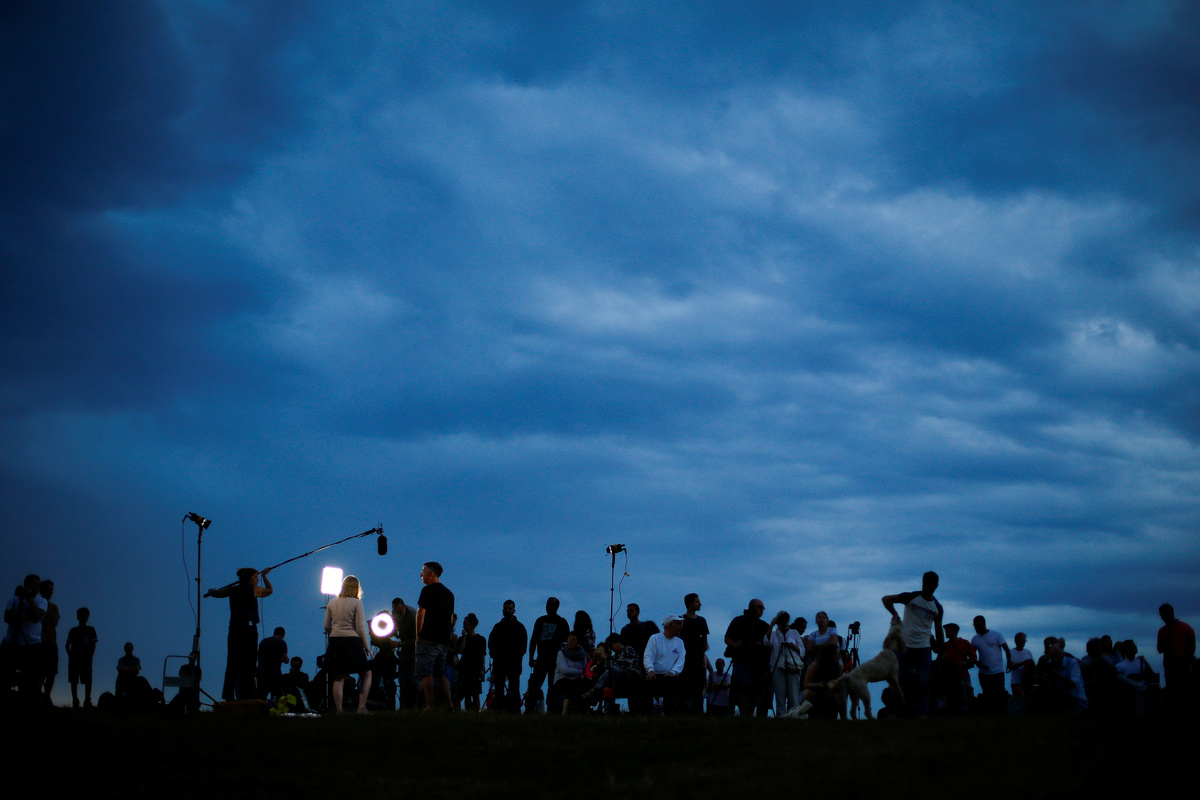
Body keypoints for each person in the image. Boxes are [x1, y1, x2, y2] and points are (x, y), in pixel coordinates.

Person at [205, 566, 273, 701]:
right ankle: (247, 692)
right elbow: (269, 591)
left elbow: (217, 593)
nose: (257, 580)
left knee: (233, 662)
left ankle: (228, 694)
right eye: (255, 577)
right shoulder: (254, 589)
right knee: (249, 662)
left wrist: (211, 591)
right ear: (249, 579)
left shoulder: (232, 590)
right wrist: (265, 576)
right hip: (249, 629)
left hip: (235, 629)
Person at [882, 571, 945, 716]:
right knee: (899, 680)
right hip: (904, 646)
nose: (927, 588)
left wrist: (941, 651)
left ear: (936, 586)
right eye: (926, 585)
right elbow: (886, 599)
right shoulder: (911, 597)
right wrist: (895, 614)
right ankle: (896, 712)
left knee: (924, 681)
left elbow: (938, 628)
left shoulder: (937, 607)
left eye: (931, 586)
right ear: (922, 584)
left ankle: (922, 712)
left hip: (924, 647)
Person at [324, 574, 373, 714]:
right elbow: (360, 627)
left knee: (339, 676)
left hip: (335, 640)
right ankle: (361, 707)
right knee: (366, 673)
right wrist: (366, 645)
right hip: (352, 641)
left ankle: (339, 710)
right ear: (356, 588)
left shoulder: (331, 602)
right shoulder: (357, 603)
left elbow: (326, 625)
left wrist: (334, 633)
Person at [415, 561, 455, 711]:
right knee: (440, 674)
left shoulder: (427, 590)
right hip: (443, 640)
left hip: (429, 637)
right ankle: (449, 705)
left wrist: (418, 634)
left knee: (426, 673)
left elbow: (421, 612)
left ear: (431, 574)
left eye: (423, 571)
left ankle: (430, 706)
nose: (421, 574)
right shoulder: (449, 594)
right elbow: (450, 618)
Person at [4, 574, 47, 700]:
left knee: (31, 679)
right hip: (12, 643)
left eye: (39, 584)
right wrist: (28, 616)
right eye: (34, 584)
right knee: (6, 675)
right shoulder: (14, 600)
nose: (37, 587)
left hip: (32, 645)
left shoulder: (41, 601)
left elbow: (37, 615)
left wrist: (29, 599)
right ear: (27, 585)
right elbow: (7, 617)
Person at [724, 599, 769, 716]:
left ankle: (748, 715)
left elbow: (769, 643)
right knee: (742, 687)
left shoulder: (764, 625)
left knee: (755, 688)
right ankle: (744, 714)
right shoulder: (738, 621)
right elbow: (727, 638)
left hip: (758, 662)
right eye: (759, 607)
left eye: (763, 608)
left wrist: (761, 646)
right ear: (752, 607)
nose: (762, 610)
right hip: (741, 659)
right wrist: (735, 645)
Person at [528, 597, 569, 708]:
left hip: (555, 660)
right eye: (547, 605)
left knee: (553, 686)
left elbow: (566, 643)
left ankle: (552, 708)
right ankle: (530, 708)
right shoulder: (540, 621)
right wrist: (531, 657)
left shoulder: (562, 622)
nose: (548, 607)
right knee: (535, 685)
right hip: (541, 658)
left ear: (557, 607)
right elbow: (533, 640)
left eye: (551, 605)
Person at [488, 599, 527, 712]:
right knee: (499, 688)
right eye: (505, 608)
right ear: (502, 610)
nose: (507, 610)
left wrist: (516, 657)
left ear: (514, 610)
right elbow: (491, 643)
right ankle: (498, 709)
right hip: (499, 662)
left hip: (514, 663)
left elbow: (523, 647)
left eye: (509, 608)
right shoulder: (497, 627)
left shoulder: (519, 627)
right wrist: (494, 655)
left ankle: (514, 710)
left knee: (514, 687)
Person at [643, 615, 687, 713]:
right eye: (678, 624)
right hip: (655, 675)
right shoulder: (655, 638)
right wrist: (650, 670)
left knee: (672, 686)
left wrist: (673, 672)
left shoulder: (679, 642)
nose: (680, 627)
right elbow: (648, 656)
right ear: (670, 625)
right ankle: (648, 713)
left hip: (671, 676)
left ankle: (669, 713)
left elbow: (681, 660)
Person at [1156, 603, 1195, 709]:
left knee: (1181, 692)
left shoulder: (1184, 628)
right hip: (1171, 666)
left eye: (1162, 615)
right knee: (1175, 693)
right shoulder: (1164, 631)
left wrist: (1186, 660)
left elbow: (1192, 646)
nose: (1161, 618)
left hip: (1181, 665)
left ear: (1168, 613)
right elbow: (1159, 649)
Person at [766, 610, 804, 716]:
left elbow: (803, 651)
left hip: (793, 665)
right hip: (777, 665)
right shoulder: (774, 634)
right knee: (780, 696)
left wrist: (793, 646)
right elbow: (766, 642)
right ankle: (781, 718)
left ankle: (794, 717)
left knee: (793, 696)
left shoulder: (793, 633)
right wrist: (771, 625)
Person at [970, 615, 1011, 714]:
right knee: (987, 695)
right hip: (984, 673)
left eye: (977, 625)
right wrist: (976, 662)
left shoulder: (996, 635)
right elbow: (972, 655)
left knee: (999, 694)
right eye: (974, 625)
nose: (975, 628)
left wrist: (1009, 662)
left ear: (983, 624)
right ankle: (989, 714)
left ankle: (1001, 714)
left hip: (998, 671)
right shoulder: (975, 639)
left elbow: (1006, 649)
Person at [679, 593, 710, 713]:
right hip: (684, 661)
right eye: (697, 602)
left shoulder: (701, 621)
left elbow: (705, 641)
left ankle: (698, 713)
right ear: (689, 604)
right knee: (684, 689)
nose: (700, 604)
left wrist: (702, 655)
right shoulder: (681, 620)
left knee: (698, 689)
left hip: (697, 661)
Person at [65, 606, 98, 709]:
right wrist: (71, 656)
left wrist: (90, 657)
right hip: (75, 658)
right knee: (74, 680)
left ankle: (87, 700)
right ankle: (75, 700)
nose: (83, 618)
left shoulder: (90, 629)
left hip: (85, 658)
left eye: (85, 616)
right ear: (78, 617)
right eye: (81, 615)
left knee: (87, 680)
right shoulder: (73, 630)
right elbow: (67, 645)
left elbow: (93, 645)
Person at [552, 631, 591, 714]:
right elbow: (564, 670)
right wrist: (579, 672)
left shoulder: (583, 654)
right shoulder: (561, 653)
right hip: (562, 679)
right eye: (569, 639)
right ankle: (565, 710)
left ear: (578, 642)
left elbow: (585, 670)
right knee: (571, 686)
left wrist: (580, 676)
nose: (570, 641)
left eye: (573, 640)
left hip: (577, 679)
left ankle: (583, 710)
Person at [391, 597, 418, 709]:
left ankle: (414, 706)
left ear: (405, 607)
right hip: (404, 650)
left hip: (414, 651)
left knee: (413, 680)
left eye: (400, 612)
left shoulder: (413, 615)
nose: (397, 614)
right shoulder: (395, 613)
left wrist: (400, 644)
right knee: (403, 680)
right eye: (395, 612)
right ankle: (403, 706)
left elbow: (417, 638)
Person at [457, 613, 486, 711]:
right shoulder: (462, 639)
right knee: (467, 694)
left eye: (465, 624)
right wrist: (464, 637)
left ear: (472, 625)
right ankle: (469, 711)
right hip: (464, 669)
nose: (464, 626)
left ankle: (476, 711)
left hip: (475, 670)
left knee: (475, 693)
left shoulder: (480, 639)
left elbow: (482, 655)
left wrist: (481, 670)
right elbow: (461, 651)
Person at [39, 579, 60, 701]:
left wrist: (42, 617)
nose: (50, 592)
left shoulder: (53, 607)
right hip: (39, 643)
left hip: (52, 643)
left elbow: (54, 621)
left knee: (51, 672)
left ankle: (46, 696)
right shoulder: (36, 603)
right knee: (40, 671)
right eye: (48, 589)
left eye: (52, 590)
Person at [256, 626, 288, 701]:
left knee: (261, 696)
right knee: (278, 697)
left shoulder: (263, 641)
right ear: (283, 635)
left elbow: (258, 656)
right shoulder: (282, 642)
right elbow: (285, 659)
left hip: (261, 673)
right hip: (274, 673)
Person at [1009, 632, 1034, 706]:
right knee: (1018, 702)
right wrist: (1024, 663)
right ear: (1016, 641)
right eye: (1022, 640)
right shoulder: (1011, 652)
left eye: (1024, 640)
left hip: (1027, 681)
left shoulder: (1028, 652)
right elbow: (1011, 666)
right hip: (1016, 681)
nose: (1023, 642)